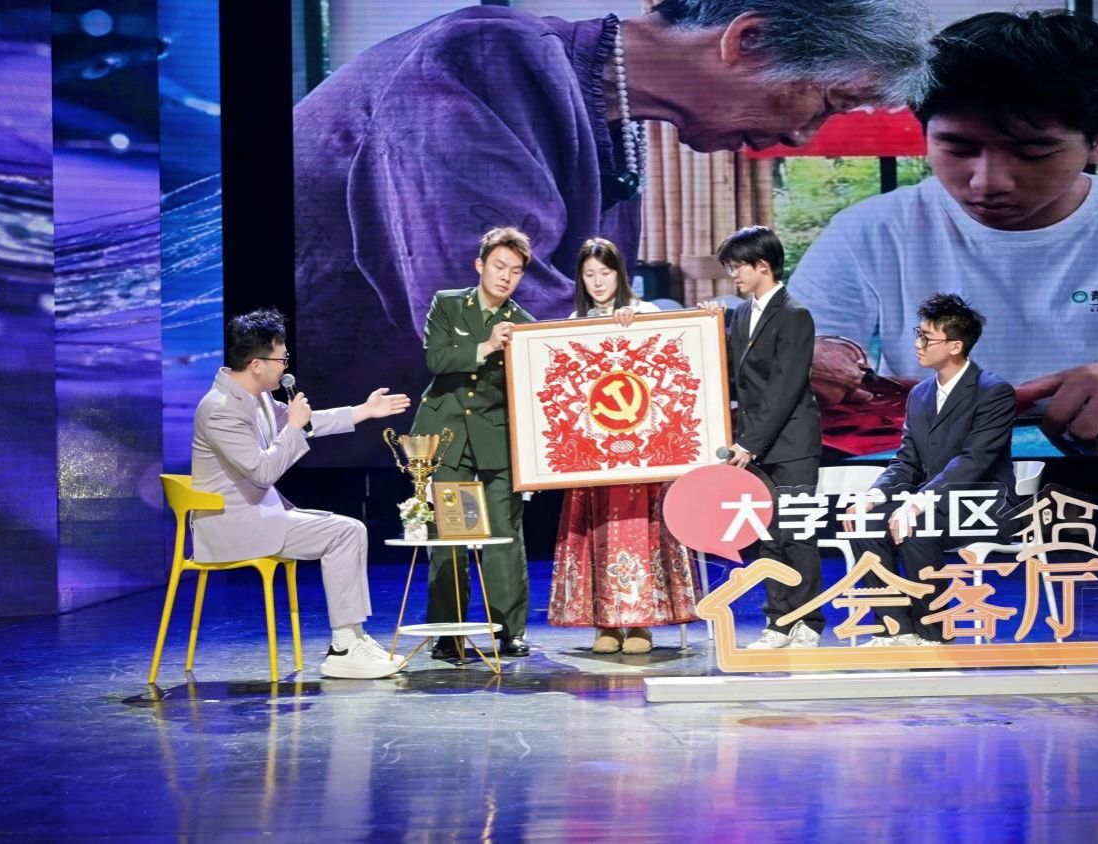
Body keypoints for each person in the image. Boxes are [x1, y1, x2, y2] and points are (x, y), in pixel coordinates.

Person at [293, 1, 935, 431]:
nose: (802, 138)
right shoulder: (483, 59)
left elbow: (593, 316)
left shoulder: (614, 119)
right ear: (748, 41)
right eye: (827, 103)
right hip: (339, 440)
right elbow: (490, 327)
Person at [794, 10, 1098, 454]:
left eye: (1032, 152)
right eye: (958, 148)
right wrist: (819, 359)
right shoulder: (872, 231)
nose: (988, 182)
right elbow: (808, 350)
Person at [191, 308, 412, 679]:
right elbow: (263, 471)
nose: (286, 367)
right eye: (282, 359)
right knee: (345, 532)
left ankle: (352, 638)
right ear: (257, 364)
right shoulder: (220, 410)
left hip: (261, 514)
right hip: (232, 526)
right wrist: (293, 426)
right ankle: (344, 647)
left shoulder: (256, 397)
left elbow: (306, 423)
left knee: (349, 529)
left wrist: (363, 411)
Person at [548, 237, 700, 654]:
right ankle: (607, 624)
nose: (598, 282)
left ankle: (641, 624)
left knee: (640, 532)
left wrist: (641, 328)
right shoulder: (574, 323)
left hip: (641, 452)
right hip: (595, 455)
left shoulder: (646, 313)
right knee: (598, 534)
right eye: (590, 274)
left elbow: (676, 363)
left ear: (620, 274)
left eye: (606, 273)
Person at [844, 294, 1018, 645]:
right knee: (866, 523)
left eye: (926, 338)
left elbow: (973, 461)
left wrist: (918, 502)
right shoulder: (920, 394)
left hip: (981, 503)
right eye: (918, 334)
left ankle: (932, 632)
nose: (917, 344)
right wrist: (874, 495)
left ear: (955, 346)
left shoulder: (993, 391)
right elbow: (907, 460)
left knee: (917, 526)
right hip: (934, 503)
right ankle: (894, 629)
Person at [410, 227, 536, 659]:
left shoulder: (524, 324)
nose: (506, 277)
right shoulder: (448, 304)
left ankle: (510, 630)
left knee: (505, 535)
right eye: (499, 266)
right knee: (451, 534)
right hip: (448, 436)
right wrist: (485, 346)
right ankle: (449, 632)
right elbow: (436, 358)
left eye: (515, 271)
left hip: (497, 439)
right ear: (480, 265)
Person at [703, 226, 823, 649]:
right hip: (753, 445)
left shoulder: (794, 314)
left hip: (791, 445)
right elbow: (732, 374)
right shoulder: (740, 314)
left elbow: (784, 389)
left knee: (796, 532)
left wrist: (750, 443)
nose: (733, 275)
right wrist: (708, 326)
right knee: (766, 535)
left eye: (738, 267)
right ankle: (779, 623)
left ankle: (808, 622)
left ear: (763, 266)